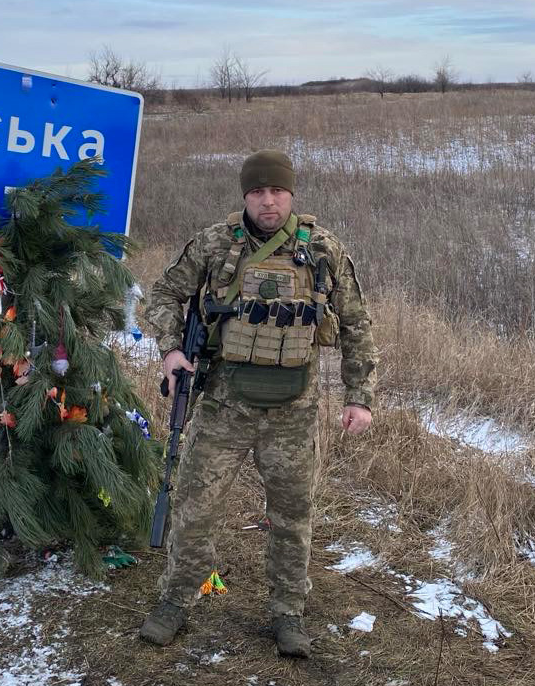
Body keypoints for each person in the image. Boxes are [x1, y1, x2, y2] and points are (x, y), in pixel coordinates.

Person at [138, 149, 378, 657]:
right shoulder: (215, 243)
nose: (268, 201)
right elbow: (159, 295)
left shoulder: (323, 249)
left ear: (291, 193)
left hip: (294, 411)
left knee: (293, 516)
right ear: (244, 195)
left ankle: (288, 613)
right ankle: (176, 601)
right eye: (257, 192)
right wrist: (171, 349)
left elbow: (356, 323)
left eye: (277, 191)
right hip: (224, 406)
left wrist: (360, 398)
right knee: (194, 508)